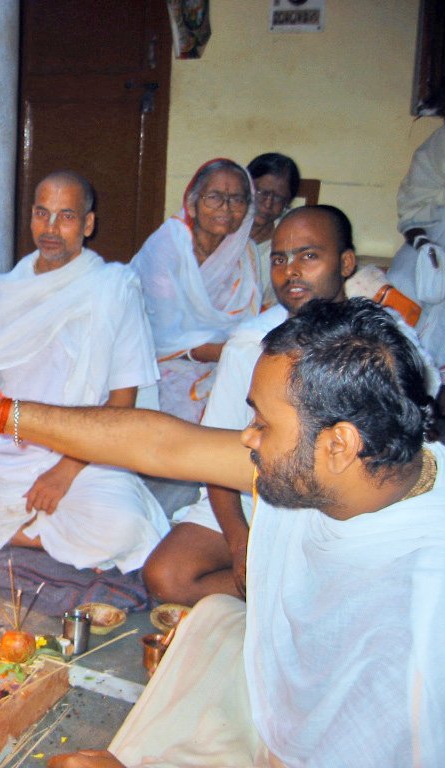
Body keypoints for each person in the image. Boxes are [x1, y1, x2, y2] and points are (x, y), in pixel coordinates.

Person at [0, 298, 445, 767]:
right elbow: (163, 443)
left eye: (262, 423)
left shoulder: (427, 614)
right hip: (285, 710)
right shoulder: (372, 463)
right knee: (213, 624)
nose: (247, 437)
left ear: (339, 444)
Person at [0, 171, 168, 573]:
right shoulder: (0, 293)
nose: (50, 228)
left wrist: (65, 471)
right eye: (41, 214)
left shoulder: (113, 287)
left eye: (65, 216)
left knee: (125, 527)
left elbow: (122, 403)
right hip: (6, 451)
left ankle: (20, 529)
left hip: (87, 453)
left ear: (88, 224)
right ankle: (39, 533)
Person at [142, 205, 357, 604]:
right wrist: (241, 544)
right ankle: (293, 583)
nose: (291, 271)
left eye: (309, 256)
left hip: (342, 499)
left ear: (345, 262)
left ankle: (301, 582)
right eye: (279, 258)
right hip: (254, 493)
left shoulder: (378, 336)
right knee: (166, 576)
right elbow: (215, 449)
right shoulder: (249, 344)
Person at [130, 158, 260, 422]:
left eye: (237, 199)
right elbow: (161, 335)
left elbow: (250, 326)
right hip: (157, 365)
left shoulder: (248, 254)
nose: (226, 207)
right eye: (214, 197)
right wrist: (233, 352)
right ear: (192, 203)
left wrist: (237, 354)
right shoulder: (165, 247)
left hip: (227, 362)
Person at [388, 67, 445, 386]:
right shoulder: (429, 151)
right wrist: (424, 245)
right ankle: (401, 366)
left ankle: (439, 378)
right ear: (442, 107)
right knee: (401, 277)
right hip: (430, 234)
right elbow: (411, 206)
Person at [247, 152, 300, 308]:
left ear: (287, 202)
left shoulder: (291, 239)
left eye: (278, 197)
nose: (267, 204)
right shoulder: (222, 227)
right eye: (262, 193)